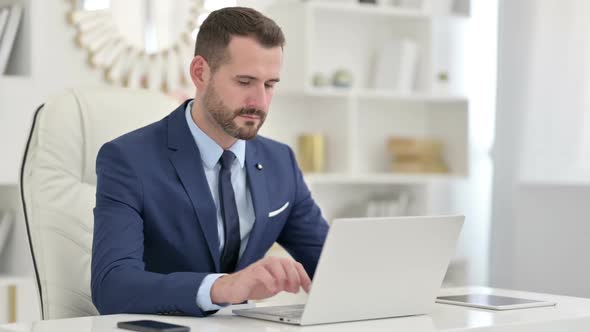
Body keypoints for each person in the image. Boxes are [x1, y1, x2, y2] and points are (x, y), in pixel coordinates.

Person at [91, 7, 329, 317]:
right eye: (244, 82)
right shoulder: (128, 160)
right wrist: (221, 287)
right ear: (200, 73)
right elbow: (112, 287)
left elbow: (330, 263)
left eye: (270, 85)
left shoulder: (280, 161)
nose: (259, 101)